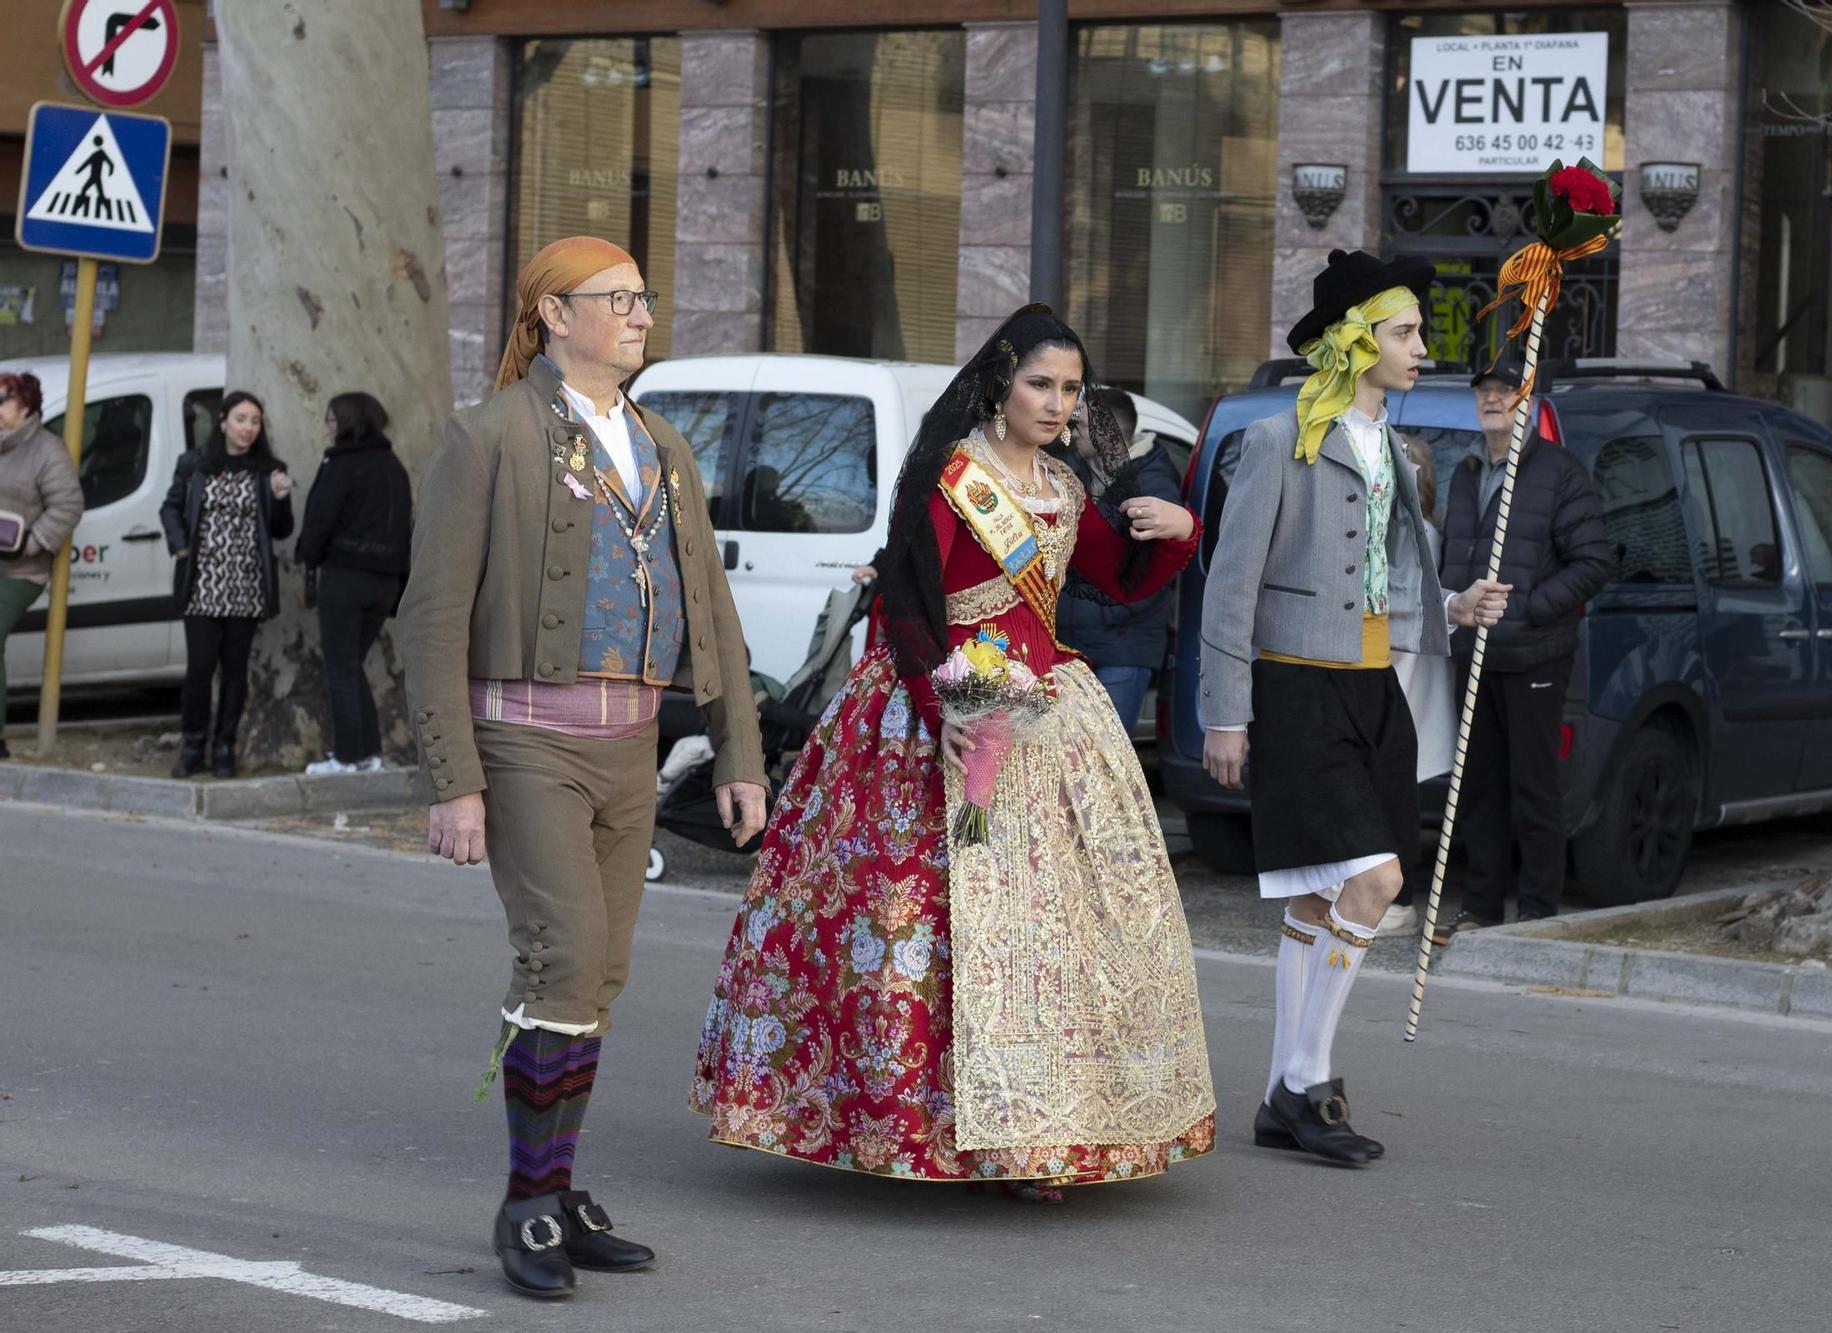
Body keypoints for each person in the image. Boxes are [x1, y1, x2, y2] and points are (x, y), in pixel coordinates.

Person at [691, 304, 1215, 1198]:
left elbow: (1115, 580)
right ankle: (918, 1121)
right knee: (917, 930)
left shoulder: (1059, 484)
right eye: (1039, 385)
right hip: (936, 709)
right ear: (1000, 382)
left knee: (1052, 933)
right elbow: (907, 602)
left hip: (1047, 716)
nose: (1055, 404)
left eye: (1069, 390)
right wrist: (949, 704)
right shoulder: (949, 475)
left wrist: (1179, 533)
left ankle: (1039, 1129)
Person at [399, 235, 767, 1301]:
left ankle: (557, 1188)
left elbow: (716, 615)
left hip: (631, 747)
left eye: (644, 298)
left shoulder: (664, 444)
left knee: (596, 976)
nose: (641, 314)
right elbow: (430, 621)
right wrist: (453, 779)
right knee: (562, 960)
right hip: (524, 740)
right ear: (554, 315)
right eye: (616, 299)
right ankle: (526, 1201)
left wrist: (737, 752)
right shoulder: (489, 437)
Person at [1199, 248, 1510, 1167]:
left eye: (1420, 331)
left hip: (1378, 688)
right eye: (1405, 330)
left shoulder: (1401, 450)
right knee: (1374, 880)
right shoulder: (1278, 439)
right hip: (1298, 687)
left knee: (1317, 894)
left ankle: (1277, 1095)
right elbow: (1230, 585)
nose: (1422, 347)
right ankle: (1308, 1082)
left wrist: (1454, 605)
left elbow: (1390, 581)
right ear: (1354, 339)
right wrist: (1227, 711)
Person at [1430, 357, 1614, 944]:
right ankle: (1482, 905)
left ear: (1526, 403)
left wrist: (1530, 605)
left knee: (1534, 784)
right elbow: (1453, 559)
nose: (1492, 399)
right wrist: (1452, 607)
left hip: (1534, 654)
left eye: (1505, 391)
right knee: (1477, 785)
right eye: (1485, 391)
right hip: (1473, 654)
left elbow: (1594, 561)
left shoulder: (1558, 473)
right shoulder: (1463, 473)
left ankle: (1537, 910)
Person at [162, 391, 295, 779]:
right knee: (200, 668)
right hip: (201, 582)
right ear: (222, 421)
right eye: (241, 419)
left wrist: (281, 498)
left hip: (246, 584)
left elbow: (281, 530)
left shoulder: (269, 470)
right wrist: (181, 549)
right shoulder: (194, 464)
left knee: (235, 669)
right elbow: (170, 507)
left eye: (255, 421)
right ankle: (192, 746)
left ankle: (224, 747)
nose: (248, 428)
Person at [1045, 387, 1182, 735]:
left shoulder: (1152, 485)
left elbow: (1151, 574)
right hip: (1073, 645)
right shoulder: (1075, 472)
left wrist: (1095, 609)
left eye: (1082, 423)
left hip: (1121, 648)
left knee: (1105, 764)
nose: (1072, 429)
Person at [296, 392, 412, 775]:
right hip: (385, 585)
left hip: (346, 578)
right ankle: (368, 754)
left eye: (331, 419)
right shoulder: (393, 466)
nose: (327, 426)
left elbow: (319, 520)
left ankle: (347, 757)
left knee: (340, 667)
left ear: (345, 422)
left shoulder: (341, 465)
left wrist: (308, 556)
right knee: (352, 664)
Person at [1376, 433, 1457, 938]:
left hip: (1404, 674)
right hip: (1387, 672)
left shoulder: (1420, 533)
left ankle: (1400, 900)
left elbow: (1401, 604)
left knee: (1394, 797)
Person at [0, 372, 85, 759]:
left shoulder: (47, 450)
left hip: (19, 571)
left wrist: (30, 545)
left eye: (3, 399)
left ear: (26, 406)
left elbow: (67, 506)